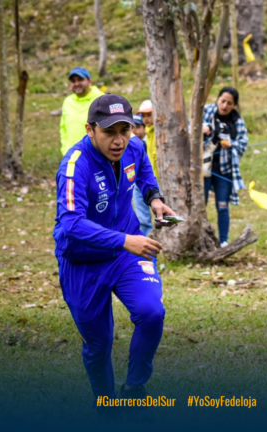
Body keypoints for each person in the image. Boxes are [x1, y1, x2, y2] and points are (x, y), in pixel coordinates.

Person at [53, 94, 181, 408]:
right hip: (82, 261)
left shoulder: (134, 146)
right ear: (90, 129)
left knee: (152, 312)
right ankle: (108, 407)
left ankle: (135, 391)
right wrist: (125, 240)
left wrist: (154, 198)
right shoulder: (74, 166)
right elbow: (71, 224)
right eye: (109, 132)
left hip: (127, 254)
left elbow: (144, 170)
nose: (119, 139)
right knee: (98, 345)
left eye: (124, 129)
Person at [201, 87, 248, 247]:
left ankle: (223, 241)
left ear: (234, 105)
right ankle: (200, 237)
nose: (225, 105)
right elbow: (190, 126)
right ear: (218, 99)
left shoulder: (237, 120)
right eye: (223, 101)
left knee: (222, 206)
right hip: (204, 169)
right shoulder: (206, 111)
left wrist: (231, 144)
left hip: (225, 170)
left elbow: (243, 142)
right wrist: (203, 128)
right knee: (201, 204)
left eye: (229, 103)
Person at [59, 67, 105, 155]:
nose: (76, 83)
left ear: (90, 81)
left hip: (95, 155)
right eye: (73, 81)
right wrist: (65, 149)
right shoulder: (67, 101)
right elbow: (63, 128)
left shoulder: (100, 99)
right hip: (71, 155)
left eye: (80, 80)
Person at [131, 113, 153, 235]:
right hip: (135, 184)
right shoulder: (127, 146)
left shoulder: (148, 142)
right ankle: (146, 237)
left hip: (151, 182)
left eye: (138, 126)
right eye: (131, 127)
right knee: (142, 217)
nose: (134, 130)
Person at [136, 100, 158, 178]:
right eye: (143, 116)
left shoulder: (158, 133)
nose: (145, 119)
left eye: (149, 115)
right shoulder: (148, 133)